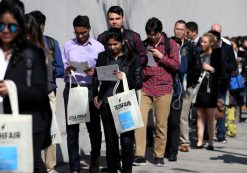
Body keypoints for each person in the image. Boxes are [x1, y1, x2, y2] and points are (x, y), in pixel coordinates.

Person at [0, 1, 51, 172]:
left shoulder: (32, 55)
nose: (6, 31)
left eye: (12, 27)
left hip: (26, 121)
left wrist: (12, 88)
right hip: (3, 120)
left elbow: (40, 92)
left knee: (31, 165)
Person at [93, 27, 142, 173]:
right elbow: (96, 76)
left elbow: (139, 82)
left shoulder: (133, 57)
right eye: (110, 45)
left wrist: (125, 78)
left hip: (125, 104)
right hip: (107, 104)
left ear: (122, 42)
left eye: (116, 44)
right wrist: (96, 94)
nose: (113, 47)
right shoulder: (103, 56)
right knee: (111, 142)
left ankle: (127, 170)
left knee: (127, 142)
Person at [133, 17, 179, 167]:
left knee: (161, 124)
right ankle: (139, 154)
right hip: (146, 88)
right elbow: (140, 66)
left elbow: (176, 66)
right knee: (140, 122)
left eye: (155, 34)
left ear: (160, 32)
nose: (152, 37)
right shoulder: (144, 45)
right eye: (149, 34)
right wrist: (145, 71)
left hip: (164, 88)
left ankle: (159, 155)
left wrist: (161, 57)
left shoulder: (170, 44)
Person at [62, 15, 104, 173]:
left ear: (89, 29)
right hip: (72, 87)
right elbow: (63, 65)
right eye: (77, 33)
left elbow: (106, 69)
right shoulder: (67, 45)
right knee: (72, 128)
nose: (80, 36)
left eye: (83, 33)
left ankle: (94, 159)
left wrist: (96, 72)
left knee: (93, 127)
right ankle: (74, 167)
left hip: (90, 89)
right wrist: (67, 69)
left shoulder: (98, 47)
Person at [29, 10, 64, 173]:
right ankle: (31, 165)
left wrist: (48, 75)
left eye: (39, 26)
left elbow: (60, 68)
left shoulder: (51, 43)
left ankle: (50, 168)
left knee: (49, 129)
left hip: (48, 93)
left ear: (43, 25)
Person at [194, 32, 224, 150]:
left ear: (211, 43)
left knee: (210, 116)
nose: (202, 44)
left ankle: (211, 142)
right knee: (199, 115)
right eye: (202, 41)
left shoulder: (216, 55)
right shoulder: (199, 54)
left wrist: (210, 68)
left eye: (205, 42)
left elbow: (221, 72)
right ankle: (200, 141)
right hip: (199, 88)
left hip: (211, 89)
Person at [179, 21, 202, 152]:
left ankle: (184, 141)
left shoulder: (191, 47)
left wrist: (191, 83)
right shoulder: (171, 43)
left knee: (183, 114)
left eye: (182, 30)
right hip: (173, 84)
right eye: (177, 29)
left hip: (187, 84)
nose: (180, 32)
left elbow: (197, 66)